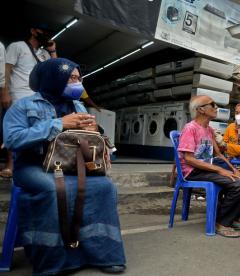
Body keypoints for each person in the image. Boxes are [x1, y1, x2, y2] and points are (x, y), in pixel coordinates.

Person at [3, 58, 126, 275]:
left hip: (69, 164)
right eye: (72, 78)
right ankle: (54, 259)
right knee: (54, 189)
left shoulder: (77, 105)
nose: (77, 83)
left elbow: (84, 137)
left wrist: (92, 130)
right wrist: (58, 124)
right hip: (33, 165)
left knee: (104, 186)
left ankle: (103, 253)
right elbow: (12, 140)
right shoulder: (23, 105)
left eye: (79, 78)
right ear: (54, 77)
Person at [178, 95, 240, 238]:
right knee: (238, 185)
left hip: (207, 167)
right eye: (212, 105)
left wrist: (234, 170)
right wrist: (221, 170)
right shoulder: (190, 128)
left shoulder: (209, 129)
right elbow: (189, 159)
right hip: (193, 171)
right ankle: (222, 222)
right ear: (201, 109)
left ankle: (232, 218)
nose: (216, 108)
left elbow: (219, 155)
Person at [0, 24, 57, 178]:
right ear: (33, 30)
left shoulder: (44, 53)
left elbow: (56, 69)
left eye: (48, 32)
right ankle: (11, 164)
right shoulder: (17, 46)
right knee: (17, 128)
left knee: (39, 128)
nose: (45, 34)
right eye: (42, 31)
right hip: (18, 93)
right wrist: (4, 92)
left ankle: (36, 163)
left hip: (38, 96)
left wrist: (52, 51)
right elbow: (6, 69)